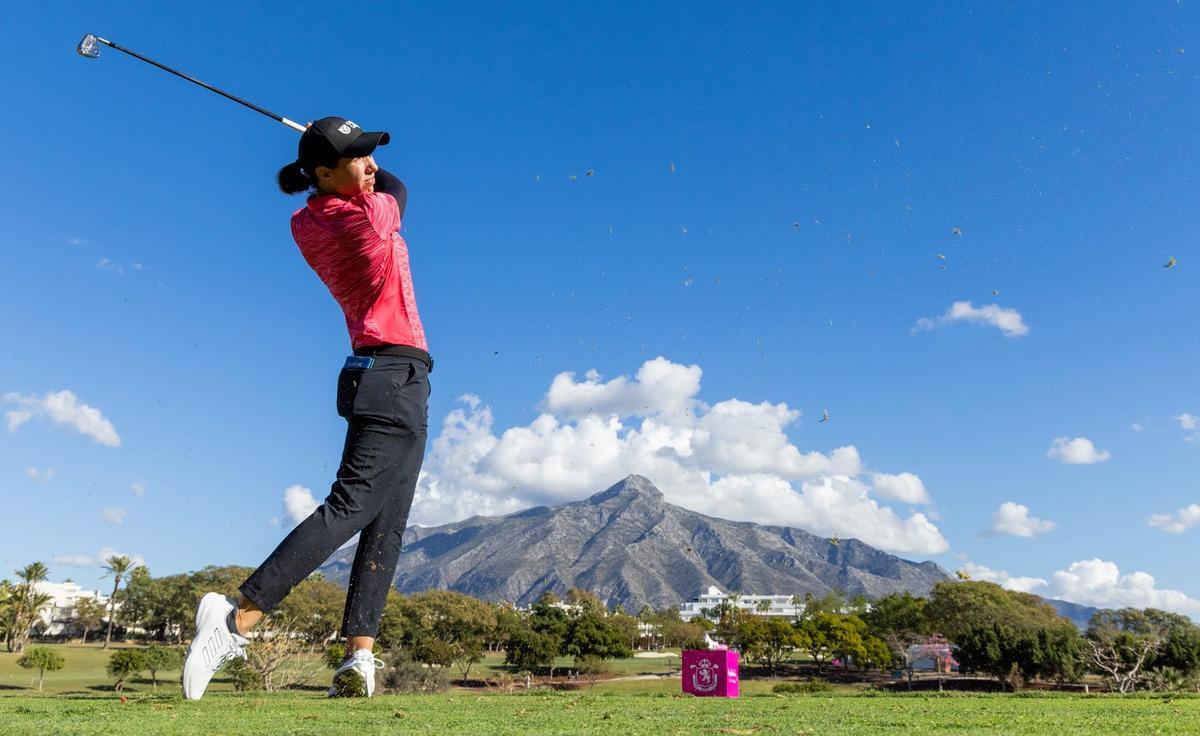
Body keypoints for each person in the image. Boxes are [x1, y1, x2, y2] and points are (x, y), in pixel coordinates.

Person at [182, 117, 432, 700]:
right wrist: (339, 156)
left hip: (387, 374)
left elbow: (381, 182)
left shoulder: (309, 218)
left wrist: (337, 150)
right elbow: (400, 190)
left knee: (386, 522)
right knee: (351, 505)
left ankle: (357, 658)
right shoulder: (368, 216)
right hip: (392, 373)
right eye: (359, 158)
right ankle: (238, 617)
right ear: (324, 173)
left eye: (371, 156)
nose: (371, 166)